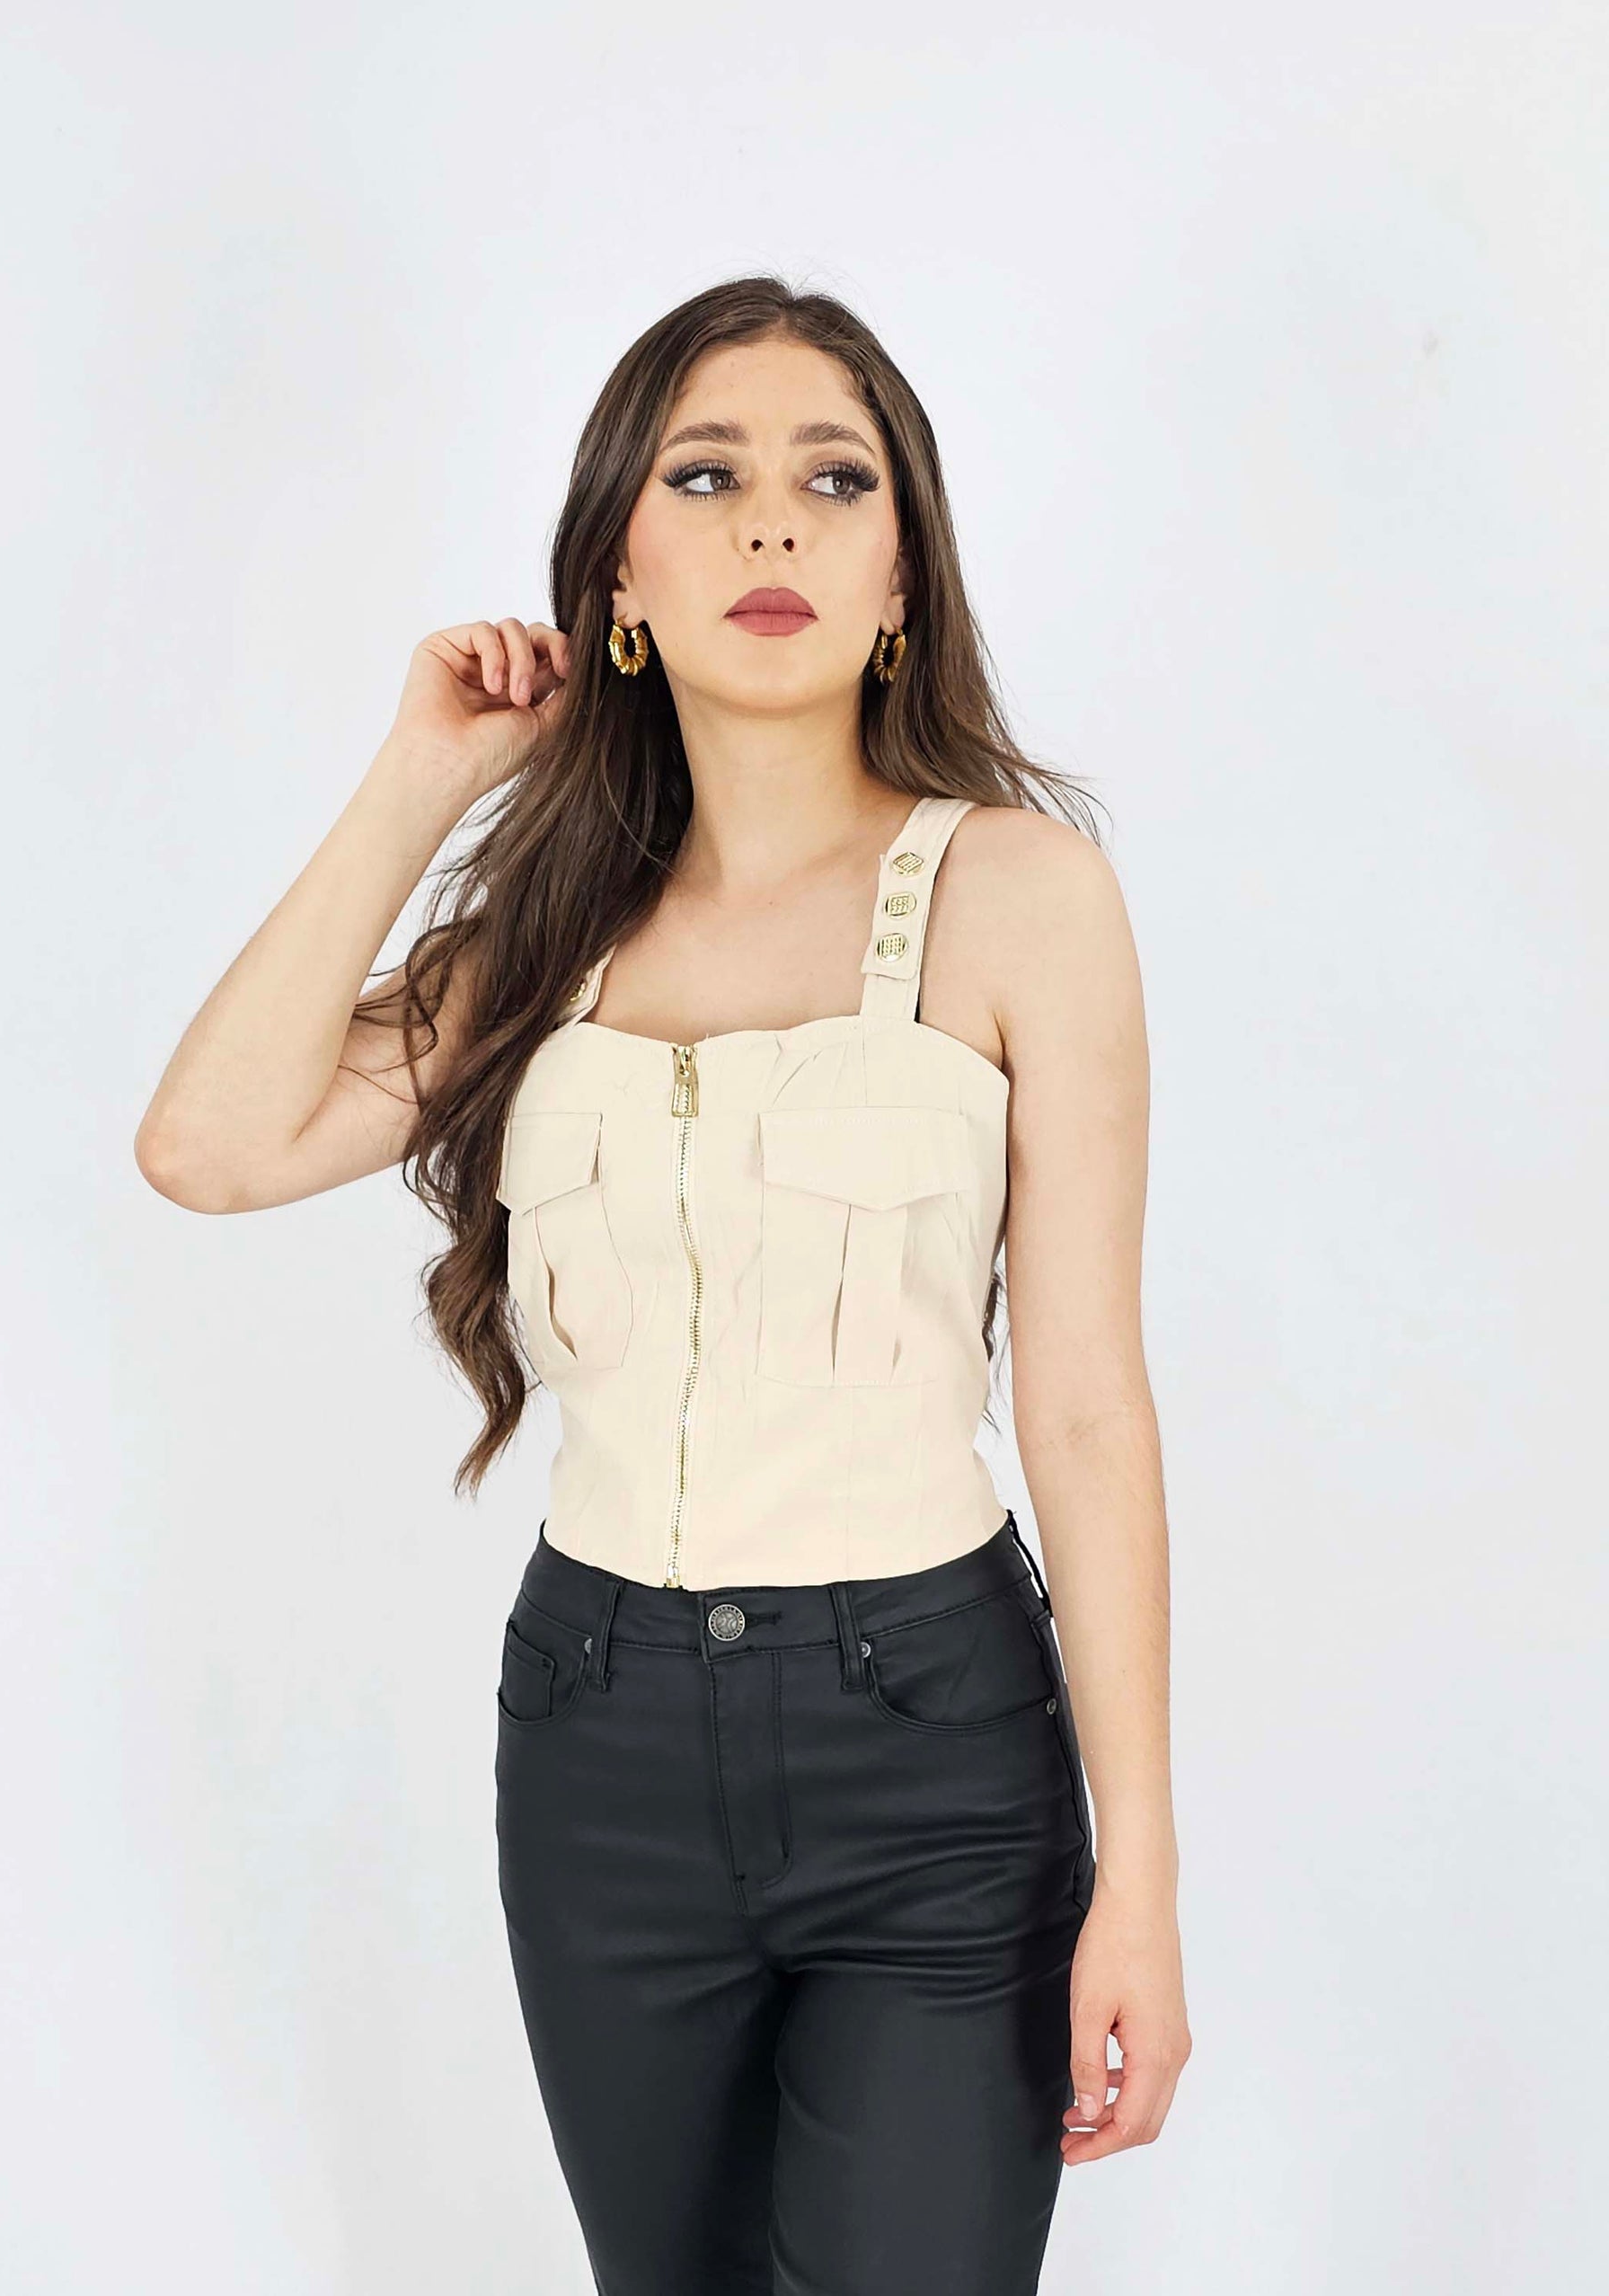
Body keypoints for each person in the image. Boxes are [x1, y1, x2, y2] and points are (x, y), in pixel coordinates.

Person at [136, 273, 1191, 2294]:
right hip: (598, 1746)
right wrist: (420, 781)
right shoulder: (546, 941)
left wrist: (1136, 1871)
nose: (771, 520)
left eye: (833, 479)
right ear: (617, 573)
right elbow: (209, 1147)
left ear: (902, 575)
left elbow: (1081, 1405)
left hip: (933, 1745)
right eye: (704, 476)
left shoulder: (1020, 897)